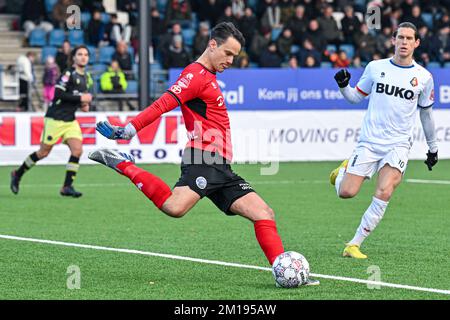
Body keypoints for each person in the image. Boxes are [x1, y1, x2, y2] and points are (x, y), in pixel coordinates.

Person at [88, 22, 318, 285]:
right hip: (203, 159)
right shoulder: (195, 75)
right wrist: (130, 129)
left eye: (235, 56)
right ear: (212, 45)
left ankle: (283, 274)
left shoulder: (208, 77)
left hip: (221, 166)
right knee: (175, 207)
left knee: (264, 213)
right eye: (228, 53)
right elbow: (163, 103)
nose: (231, 60)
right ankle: (124, 165)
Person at [330, 22, 438, 259]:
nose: (404, 42)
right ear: (393, 40)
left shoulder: (424, 77)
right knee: (347, 192)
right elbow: (355, 98)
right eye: (400, 37)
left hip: (398, 144)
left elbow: (426, 114)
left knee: (385, 190)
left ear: (417, 43)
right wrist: (342, 86)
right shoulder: (375, 67)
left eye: (410, 38)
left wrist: (433, 148)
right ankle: (340, 174)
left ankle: (353, 244)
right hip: (369, 142)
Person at [10, 46, 93, 198]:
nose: (83, 57)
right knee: (43, 153)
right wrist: (81, 99)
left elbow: (80, 99)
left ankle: (66, 187)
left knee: (77, 150)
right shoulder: (68, 74)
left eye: (86, 54)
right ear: (73, 58)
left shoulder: (87, 78)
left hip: (70, 121)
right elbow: (58, 93)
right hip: (55, 118)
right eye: (80, 54)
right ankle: (17, 173)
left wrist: (84, 105)